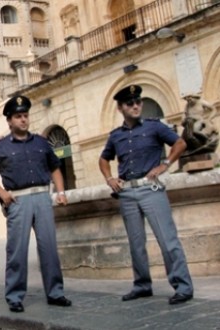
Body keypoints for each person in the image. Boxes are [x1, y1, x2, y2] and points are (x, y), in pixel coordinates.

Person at [98, 84, 194, 305]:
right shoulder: (115, 136)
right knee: (136, 242)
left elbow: (180, 143)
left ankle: (183, 286)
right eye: (130, 103)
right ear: (120, 108)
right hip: (127, 193)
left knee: (167, 240)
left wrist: (166, 164)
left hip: (150, 188)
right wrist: (109, 179)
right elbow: (104, 159)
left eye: (138, 101)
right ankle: (142, 285)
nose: (136, 105)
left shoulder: (155, 127)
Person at [0, 95, 71, 313]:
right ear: (9, 121)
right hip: (18, 200)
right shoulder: (0, 146)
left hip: (42, 198)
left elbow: (55, 167)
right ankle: (15, 296)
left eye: (25, 115)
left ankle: (56, 293)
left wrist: (61, 192)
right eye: (18, 116)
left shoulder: (41, 142)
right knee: (17, 250)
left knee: (49, 248)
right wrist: (1, 192)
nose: (23, 120)